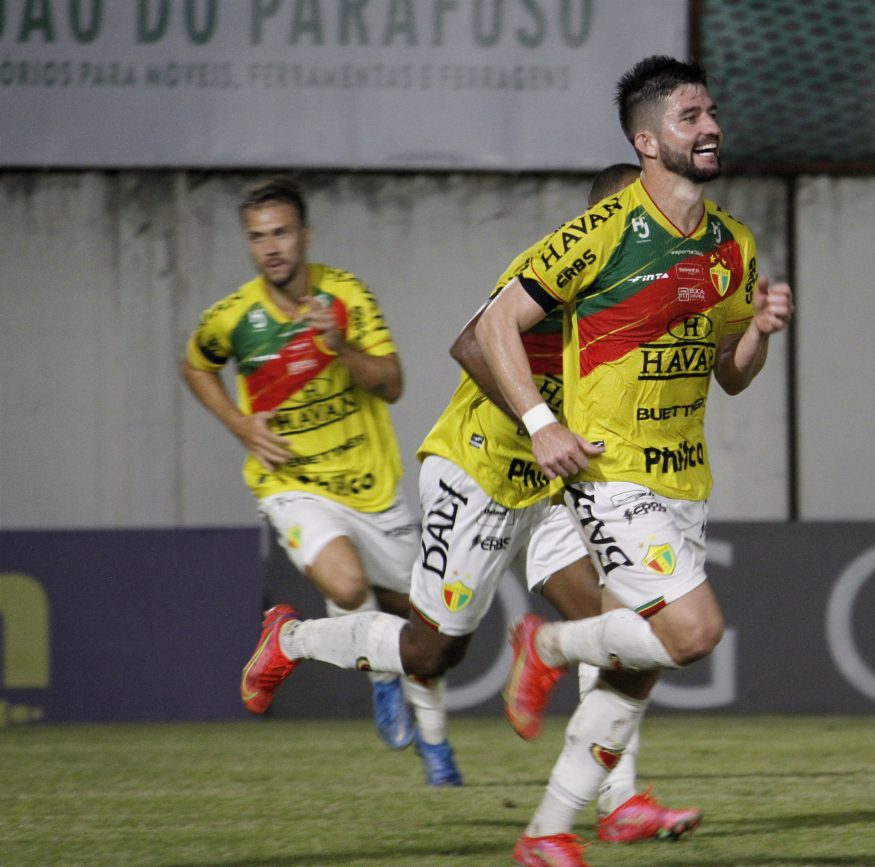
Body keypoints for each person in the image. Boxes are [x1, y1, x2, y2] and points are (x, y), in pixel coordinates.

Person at [239, 165, 700, 831]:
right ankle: (293, 637)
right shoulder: (559, 268)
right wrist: (542, 426)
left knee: (617, 620)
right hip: (478, 470)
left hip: (555, 484)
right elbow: (471, 342)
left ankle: (618, 800)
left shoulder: (649, 282)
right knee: (434, 653)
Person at [475, 56, 794, 866]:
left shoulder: (733, 245)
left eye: (711, 111)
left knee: (632, 673)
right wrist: (541, 422)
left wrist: (757, 331)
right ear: (646, 141)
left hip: (685, 478)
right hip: (612, 473)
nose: (711, 126)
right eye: (690, 117)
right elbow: (492, 327)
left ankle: (547, 830)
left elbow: (730, 376)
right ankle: (545, 648)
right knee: (694, 632)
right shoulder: (603, 232)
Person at [181, 176, 455, 785]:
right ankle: (374, 676)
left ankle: (437, 752)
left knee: (424, 633)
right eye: (257, 237)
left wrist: (341, 349)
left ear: (304, 235)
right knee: (346, 583)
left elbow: (392, 382)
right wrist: (238, 424)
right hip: (292, 482)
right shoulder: (234, 318)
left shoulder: (347, 297)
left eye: (281, 232)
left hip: (373, 486)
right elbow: (195, 363)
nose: (270, 247)